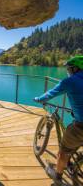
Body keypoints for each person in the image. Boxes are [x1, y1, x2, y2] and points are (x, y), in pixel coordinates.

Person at [34, 56, 83, 185]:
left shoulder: (70, 81)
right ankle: (73, 163)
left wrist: (39, 99)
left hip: (81, 126)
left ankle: (57, 177)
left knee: (63, 151)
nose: (68, 71)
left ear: (75, 68)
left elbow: (51, 93)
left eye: (69, 68)